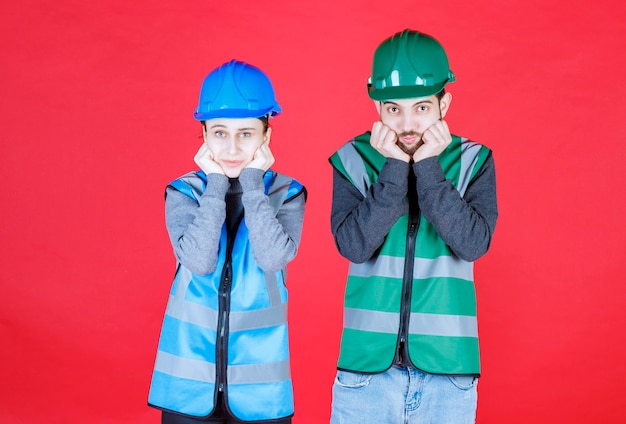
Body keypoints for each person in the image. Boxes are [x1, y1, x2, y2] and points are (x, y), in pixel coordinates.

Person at [328, 30, 498, 423]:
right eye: (393, 109)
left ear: (444, 103)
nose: (407, 124)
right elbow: (353, 244)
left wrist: (427, 167)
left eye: (421, 108)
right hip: (365, 373)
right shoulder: (352, 159)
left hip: (449, 375)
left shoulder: (475, 160)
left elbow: (472, 243)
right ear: (377, 106)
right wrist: (393, 168)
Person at [148, 60, 306, 424]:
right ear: (203, 134)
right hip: (187, 388)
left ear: (266, 135)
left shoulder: (287, 193)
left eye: (246, 133)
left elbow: (272, 258)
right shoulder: (184, 191)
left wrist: (253, 183)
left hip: (261, 391)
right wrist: (216, 184)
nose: (232, 147)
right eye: (220, 133)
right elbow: (200, 261)